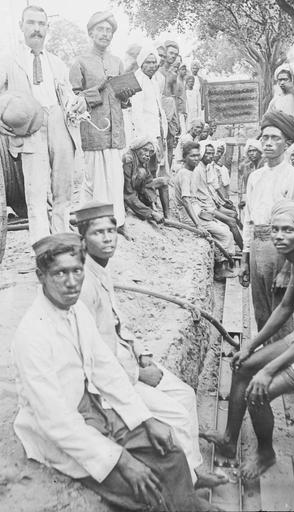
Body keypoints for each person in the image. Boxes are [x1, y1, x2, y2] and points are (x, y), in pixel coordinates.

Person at [12, 232, 206, 511]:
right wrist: (122, 460)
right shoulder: (32, 335)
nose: (71, 282)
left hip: (95, 411)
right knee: (144, 492)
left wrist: (145, 418)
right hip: (63, 433)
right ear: (40, 275)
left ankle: (190, 505)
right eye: (59, 273)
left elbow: (106, 370)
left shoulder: (77, 311)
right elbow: (56, 421)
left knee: (171, 453)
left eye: (77, 270)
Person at [75, 202, 228, 503]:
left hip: (128, 362)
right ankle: (188, 485)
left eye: (110, 231)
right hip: (111, 382)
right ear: (83, 240)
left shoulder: (101, 270)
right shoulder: (83, 284)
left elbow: (117, 323)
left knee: (184, 394)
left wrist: (141, 351)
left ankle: (194, 469)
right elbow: (92, 356)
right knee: (176, 413)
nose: (107, 238)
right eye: (98, 233)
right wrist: (137, 373)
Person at [201, 201, 294, 480]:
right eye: (275, 230)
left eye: (288, 230)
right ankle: (229, 439)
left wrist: (268, 370)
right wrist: (250, 344)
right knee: (242, 366)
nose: (279, 236)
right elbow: (286, 308)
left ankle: (265, 453)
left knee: (257, 391)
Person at [0, 5, 86, 243]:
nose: (36, 29)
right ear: (21, 26)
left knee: (63, 191)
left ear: (47, 28)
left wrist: (77, 103)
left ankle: (63, 241)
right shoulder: (9, 60)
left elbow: (67, 96)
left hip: (59, 125)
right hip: (30, 129)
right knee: (35, 194)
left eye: (41, 24)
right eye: (31, 23)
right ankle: (43, 249)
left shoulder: (56, 62)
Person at [240, 111, 294, 333]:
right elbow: (249, 220)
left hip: (282, 249)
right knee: (261, 312)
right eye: (265, 137)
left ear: (287, 143)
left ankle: (281, 365)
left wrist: (289, 268)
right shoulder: (255, 177)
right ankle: (264, 359)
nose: (268, 143)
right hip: (258, 246)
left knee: (280, 313)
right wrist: (245, 258)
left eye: (275, 138)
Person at [69, 11, 135, 235]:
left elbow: (122, 98)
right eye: (101, 29)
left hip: (115, 129)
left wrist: (125, 94)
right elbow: (74, 99)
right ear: (91, 32)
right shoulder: (80, 62)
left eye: (109, 31)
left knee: (115, 178)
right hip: (94, 128)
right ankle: (95, 224)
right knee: (95, 179)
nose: (105, 34)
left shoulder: (117, 62)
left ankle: (119, 222)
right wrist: (98, 89)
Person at [174, 141, 236, 280]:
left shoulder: (191, 172)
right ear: (184, 157)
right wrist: (198, 224)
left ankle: (224, 263)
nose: (196, 158)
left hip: (197, 212)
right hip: (188, 217)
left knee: (224, 226)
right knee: (225, 234)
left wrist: (205, 215)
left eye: (197, 155)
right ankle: (220, 268)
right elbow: (186, 201)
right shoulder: (184, 174)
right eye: (192, 156)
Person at [193, 141, 243, 251]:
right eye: (207, 153)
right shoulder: (197, 170)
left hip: (211, 203)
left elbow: (212, 188)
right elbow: (193, 195)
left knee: (233, 215)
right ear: (202, 153)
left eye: (212, 153)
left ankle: (241, 244)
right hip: (205, 207)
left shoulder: (207, 167)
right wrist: (201, 211)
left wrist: (221, 200)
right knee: (232, 221)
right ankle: (244, 251)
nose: (210, 156)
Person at [129, 44, 168, 171]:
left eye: (154, 62)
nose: (152, 65)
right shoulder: (138, 80)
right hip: (144, 132)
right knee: (143, 168)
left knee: (155, 166)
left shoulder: (154, 81)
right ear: (141, 63)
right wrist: (143, 137)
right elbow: (136, 112)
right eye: (148, 62)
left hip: (156, 129)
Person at [122, 137, 169, 223]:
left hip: (139, 190)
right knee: (141, 172)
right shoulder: (128, 160)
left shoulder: (143, 158)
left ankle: (167, 217)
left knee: (163, 181)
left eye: (150, 151)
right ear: (137, 148)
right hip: (127, 194)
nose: (147, 154)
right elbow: (128, 194)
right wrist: (150, 213)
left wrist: (152, 202)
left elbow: (148, 182)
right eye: (145, 150)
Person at [154, 40, 180, 168]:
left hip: (170, 109)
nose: (173, 56)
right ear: (165, 52)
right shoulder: (155, 72)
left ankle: (168, 172)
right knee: (158, 141)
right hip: (158, 108)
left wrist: (177, 118)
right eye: (171, 53)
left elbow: (174, 97)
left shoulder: (174, 75)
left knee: (170, 142)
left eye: (176, 54)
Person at [238, 139, 264, 211]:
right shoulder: (250, 167)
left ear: (260, 151)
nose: (252, 153)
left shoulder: (264, 166)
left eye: (254, 150)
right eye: (249, 151)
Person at [176, 63, 188, 136]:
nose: (184, 71)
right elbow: (176, 98)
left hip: (183, 111)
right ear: (178, 70)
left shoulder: (183, 82)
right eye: (182, 69)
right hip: (179, 111)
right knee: (182, 133)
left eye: (185, 69)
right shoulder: (177, 82)